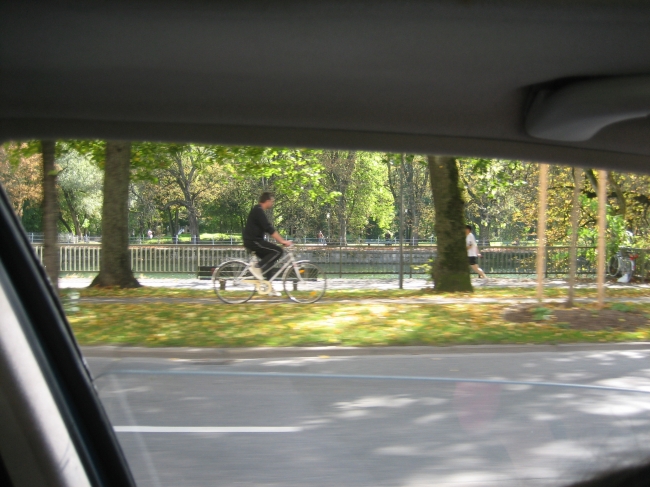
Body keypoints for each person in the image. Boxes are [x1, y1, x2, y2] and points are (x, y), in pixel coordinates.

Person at [243, 192, 292, 283]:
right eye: (272, 201)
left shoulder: (258, 210)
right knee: (278, 251)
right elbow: (269, 228)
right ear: (267, 201)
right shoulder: (258, 211)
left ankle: (268, 286)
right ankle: (257, 267)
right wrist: (282, 241)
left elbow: (268, 229)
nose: (272, 204)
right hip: (253, 241)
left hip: (253, 241)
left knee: (270, 259)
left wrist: (281, 241)